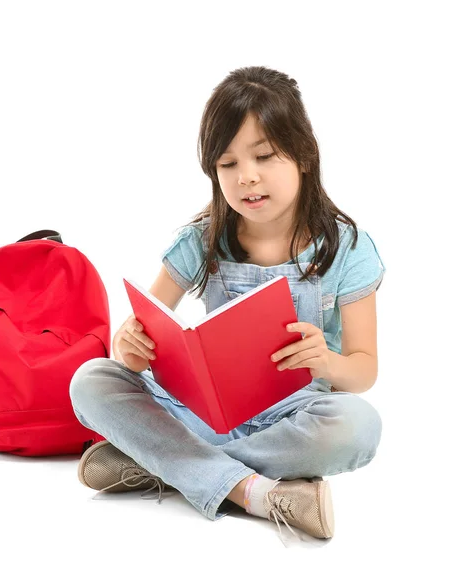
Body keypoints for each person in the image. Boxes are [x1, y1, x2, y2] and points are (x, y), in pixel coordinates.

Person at [69, 65, 385, 545]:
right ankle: (251, 490)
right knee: (90, 380)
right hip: (201, 411)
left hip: (297, 414)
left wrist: (327, 362)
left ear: (304, 154)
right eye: (228, 164)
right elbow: (141, 330)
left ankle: (161, 462)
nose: (247, 178)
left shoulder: (348, 248)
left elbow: (364, 371)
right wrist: (129, 346)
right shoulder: (201, 239)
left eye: (264, 156)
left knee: (360, 427)